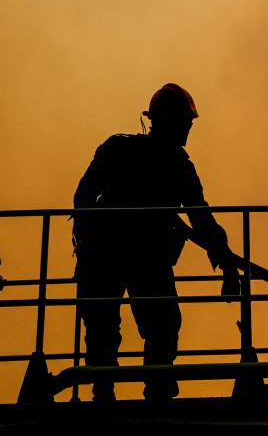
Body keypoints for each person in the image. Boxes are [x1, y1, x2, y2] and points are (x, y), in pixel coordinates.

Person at [73, 83, 238, 402]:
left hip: (121, 256)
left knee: (137, 326)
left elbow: (201, 218)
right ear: (169, 122)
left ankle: (124, 391)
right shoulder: (163, 161)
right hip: (124, 256)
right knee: (127, 326)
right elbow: (201, 218)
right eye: (186, 124)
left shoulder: (147, 157)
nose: (188, 130)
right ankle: (140, 392)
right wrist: (227, 264)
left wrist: (227, 261)